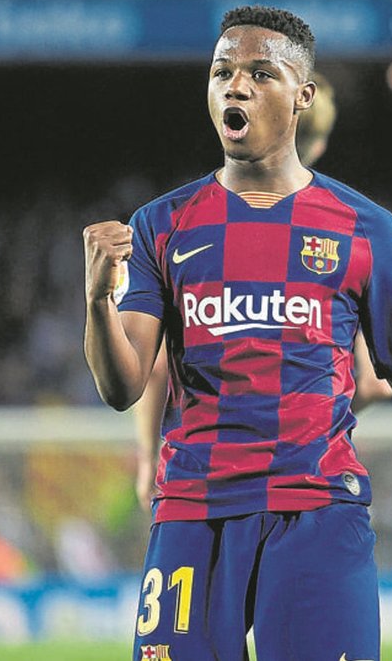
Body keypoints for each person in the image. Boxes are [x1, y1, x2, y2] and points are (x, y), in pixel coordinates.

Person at [83, 6, 392, 661]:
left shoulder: (365, 227)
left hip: (317, 508)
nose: (236, 85)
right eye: (223, 72)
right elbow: (122, 387)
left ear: (302, 96)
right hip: (194, 509)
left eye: (261, 73)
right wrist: (96, 302)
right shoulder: (160, 225)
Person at [132, 71, 338, 508]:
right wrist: (312, 413)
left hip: (206, 479)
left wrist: (148, 456)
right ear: (318, 144)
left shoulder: (187, 222)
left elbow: (156, 367)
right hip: (308, 476)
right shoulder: (347, 230)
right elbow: (376, 381)